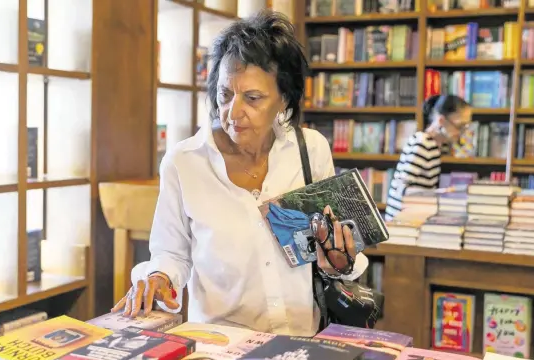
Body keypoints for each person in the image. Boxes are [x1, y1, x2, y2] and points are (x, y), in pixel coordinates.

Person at [111, 10, 369, 336]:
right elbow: (171, 253)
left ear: (284, 99)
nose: (233, 112)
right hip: (219, 348)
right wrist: (158, 278)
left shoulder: (310, 150)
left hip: (301, 340)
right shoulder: (184, 162)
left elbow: (338, 255)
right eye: (225, 94)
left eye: (252, 98)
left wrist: (338, 260)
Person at [384, 95, 472, 221]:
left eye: (466, 127)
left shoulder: (433, 145)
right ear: (441, 121)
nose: (462, 132)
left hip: (411, 219)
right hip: (401, 223)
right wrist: (442, 194)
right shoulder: (423, 143)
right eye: (460, 126)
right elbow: (402, 190)